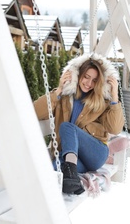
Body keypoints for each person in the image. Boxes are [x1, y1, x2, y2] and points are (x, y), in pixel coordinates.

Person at [34, 53, 124, 195]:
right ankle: (70, 180)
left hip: (96, 153)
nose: (89, 83)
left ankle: (69, 172)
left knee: (67, 127)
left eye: (94, 80)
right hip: (72, 157)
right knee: (53, 169)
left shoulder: (102, 102)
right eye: (86, 77)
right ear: (77, 75)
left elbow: (115, 128)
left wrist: (114, 97)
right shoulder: (63, 98)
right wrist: (59, 90)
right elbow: (36, 112)